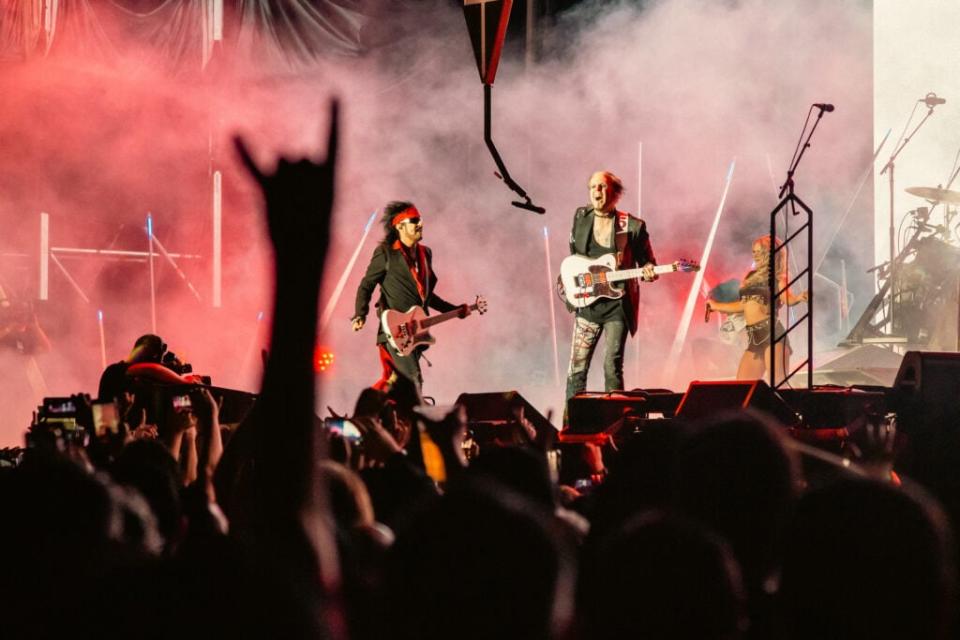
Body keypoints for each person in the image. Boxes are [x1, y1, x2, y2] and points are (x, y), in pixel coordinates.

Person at [352, 201, 468, 390]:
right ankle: (400, 417)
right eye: (414, 220)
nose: (420, 224)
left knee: (395, 383)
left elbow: (427, 295)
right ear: (399, 226)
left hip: (414, 331)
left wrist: (454, 310)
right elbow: (367, 285)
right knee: (413, 381)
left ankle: (371, 413)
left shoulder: (425, 253)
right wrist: (360, 313)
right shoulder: (386, 253)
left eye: (420, 220)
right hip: (394, 330)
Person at [565, 171, 657, 405]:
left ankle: (616, 423)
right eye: (593, 186)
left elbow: (648, 262)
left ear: (615, 193)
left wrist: (648, 271)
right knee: (577, 369)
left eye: (602, 187)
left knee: (612, 365)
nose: (596, 191)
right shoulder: (580, 216)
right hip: (586, 304)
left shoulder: (633, 226)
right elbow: (574, 255)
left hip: (616, 305)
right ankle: (570, 425)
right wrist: (570, 281)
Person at [705, 235, 808, 380]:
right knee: (744, 386)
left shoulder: (778, 278)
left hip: (772, 335)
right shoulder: (750, 277)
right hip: (754, 338)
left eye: (760, 252)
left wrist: (799, 298)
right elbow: (743, 305)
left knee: (777, 385)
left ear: (770, 255)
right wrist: (716, 306)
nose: (756, 256)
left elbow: (788, 299)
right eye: (754, 252)